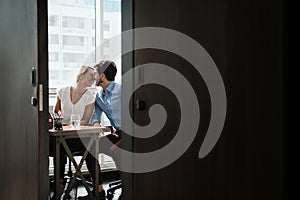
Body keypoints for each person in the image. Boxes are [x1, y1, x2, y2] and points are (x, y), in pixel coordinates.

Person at [78, 60, 122, 200]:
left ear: (102, 76)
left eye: (95, 74)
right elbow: (94, 117)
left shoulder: (121, 90)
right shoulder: (99, 96)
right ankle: (98, 192)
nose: (93, 78)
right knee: (90, 147)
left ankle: (129, 189)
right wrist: (97, 124)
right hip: (118, 133)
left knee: (116, 150)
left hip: (132, 134)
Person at [50, 65, 96, 198]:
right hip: (60, 136)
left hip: (77, 138)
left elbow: (86, 120)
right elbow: (56, 112)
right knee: (57, 146)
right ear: (81, 75)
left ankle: (63, 185)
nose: (93, 79)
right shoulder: (62, 91)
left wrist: (69, 125)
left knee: (64, 146)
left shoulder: (90, 97)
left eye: (94, 77)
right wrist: (59, 118)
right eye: (90, 76)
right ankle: (59, 185)